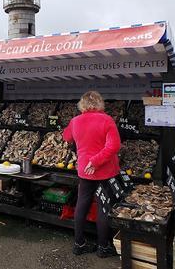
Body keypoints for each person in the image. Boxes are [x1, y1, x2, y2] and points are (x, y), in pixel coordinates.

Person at [63, 91, 121, 257]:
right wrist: (95, 162)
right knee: (104, 207)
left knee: (82, 205)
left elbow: (66, 137)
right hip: (105, 172)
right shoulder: (107, 120)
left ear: (82, 105)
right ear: (99, 103)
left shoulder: (75, 121)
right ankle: (103, 247)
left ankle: (79, 244)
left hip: (84, 171)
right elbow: (114, 146)